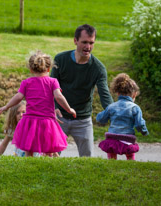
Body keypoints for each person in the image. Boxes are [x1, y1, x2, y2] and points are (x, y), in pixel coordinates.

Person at [51, 24, 113, 157]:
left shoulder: (98, 68)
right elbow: (50, 87)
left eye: (91, 43)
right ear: (75, 41)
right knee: (49, 156)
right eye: (84, 42)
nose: (88, 47)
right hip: (59, 117)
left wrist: (114, 112)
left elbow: (104, 94)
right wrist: (54, 107)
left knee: (87, 159)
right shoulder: (60, 60)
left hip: (83, 120)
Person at [0, 51, 76, 157]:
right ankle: (48, 166)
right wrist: (69, 109)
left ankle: (28, 166)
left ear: (31, 69)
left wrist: (6, 106)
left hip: (30, 121)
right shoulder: (53, 82)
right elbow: (58, 97)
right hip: (47, 121)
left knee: (28, 149)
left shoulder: (26, 83)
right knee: (49, 149)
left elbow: (18, 97)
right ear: (49, 69)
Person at [96, 73, 149, 160]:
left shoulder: (111, 106)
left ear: (117, 93)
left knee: (111, 150)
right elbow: (139, 124)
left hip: (112, 138)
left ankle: (112, 162)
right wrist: (144, 132)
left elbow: (101, 119)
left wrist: (100, 115)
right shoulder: (135, 108)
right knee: (130, 153)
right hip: (127, 139)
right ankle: (130, 163)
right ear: (134, 94)